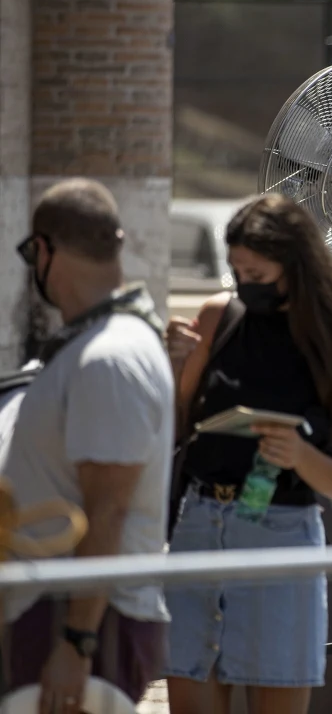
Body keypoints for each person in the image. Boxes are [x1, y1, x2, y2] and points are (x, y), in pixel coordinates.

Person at [163, 195, 332, 714]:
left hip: (281, 529)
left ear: (296, 266)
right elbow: (176, 428)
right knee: (189, 688)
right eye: (236, 270)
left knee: (277, 695)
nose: (244, 282)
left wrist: (299, 455)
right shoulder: (219, 318)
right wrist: (174, 366)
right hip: (200, 521)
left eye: (257, 272)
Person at [2, 180, 172, 713]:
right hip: (54, 611)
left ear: (43, 250)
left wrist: (77, 644)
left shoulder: (109, 358)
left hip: (76, 622)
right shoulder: (96, 346)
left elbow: (108, 508)